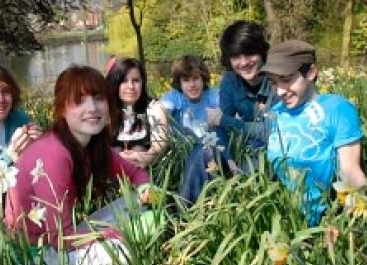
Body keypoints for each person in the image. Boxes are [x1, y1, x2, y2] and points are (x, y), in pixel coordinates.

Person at [5, 65, 151, 265]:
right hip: (38, 264)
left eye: (98, 98)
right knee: (117, 248)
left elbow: (136, 173)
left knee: (136, 204)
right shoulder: (54, 154)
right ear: (62, 109)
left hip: (61, 244)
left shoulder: (92, 145)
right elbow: (60, 238)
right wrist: (112, 235)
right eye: (79, 101)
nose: (92, 108)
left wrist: (148, 194)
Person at [261, 40, 367, 226]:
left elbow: (350, 171)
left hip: (328, 220)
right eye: (273, 82)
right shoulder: (276, 113)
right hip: (283, 218)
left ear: (311, 72)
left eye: (286, 79)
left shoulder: (337, 109)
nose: (279, 91)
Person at [160, 55, 233, 203]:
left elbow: (227, 113)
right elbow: (161, 111)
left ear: (203, 78)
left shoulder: (213, 95)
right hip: (181, 154)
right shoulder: (175, 97)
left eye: (195, 79)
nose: (192, 85)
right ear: (179, 83)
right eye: (186, 80)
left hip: (210, 150)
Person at [206, 20, 277, 166]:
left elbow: (271, 132)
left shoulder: (278, 81)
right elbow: (222, 128)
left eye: (249, 54)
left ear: (261, 53)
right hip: (242, 145)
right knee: (202, 152)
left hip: (270, 149)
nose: (243, 63)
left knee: (254, 159)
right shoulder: (229, 81)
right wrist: (229, 159)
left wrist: (222, 120)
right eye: (236, 57)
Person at [105, 57, 168, 168]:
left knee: (139, 148)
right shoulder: (105, 109)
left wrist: (145, 157)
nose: (131, 86)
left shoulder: (154, 107)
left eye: (136, 80)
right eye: (124, 81)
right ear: (115, 83)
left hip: (146, 173)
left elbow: (160, 143)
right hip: (110, 173)